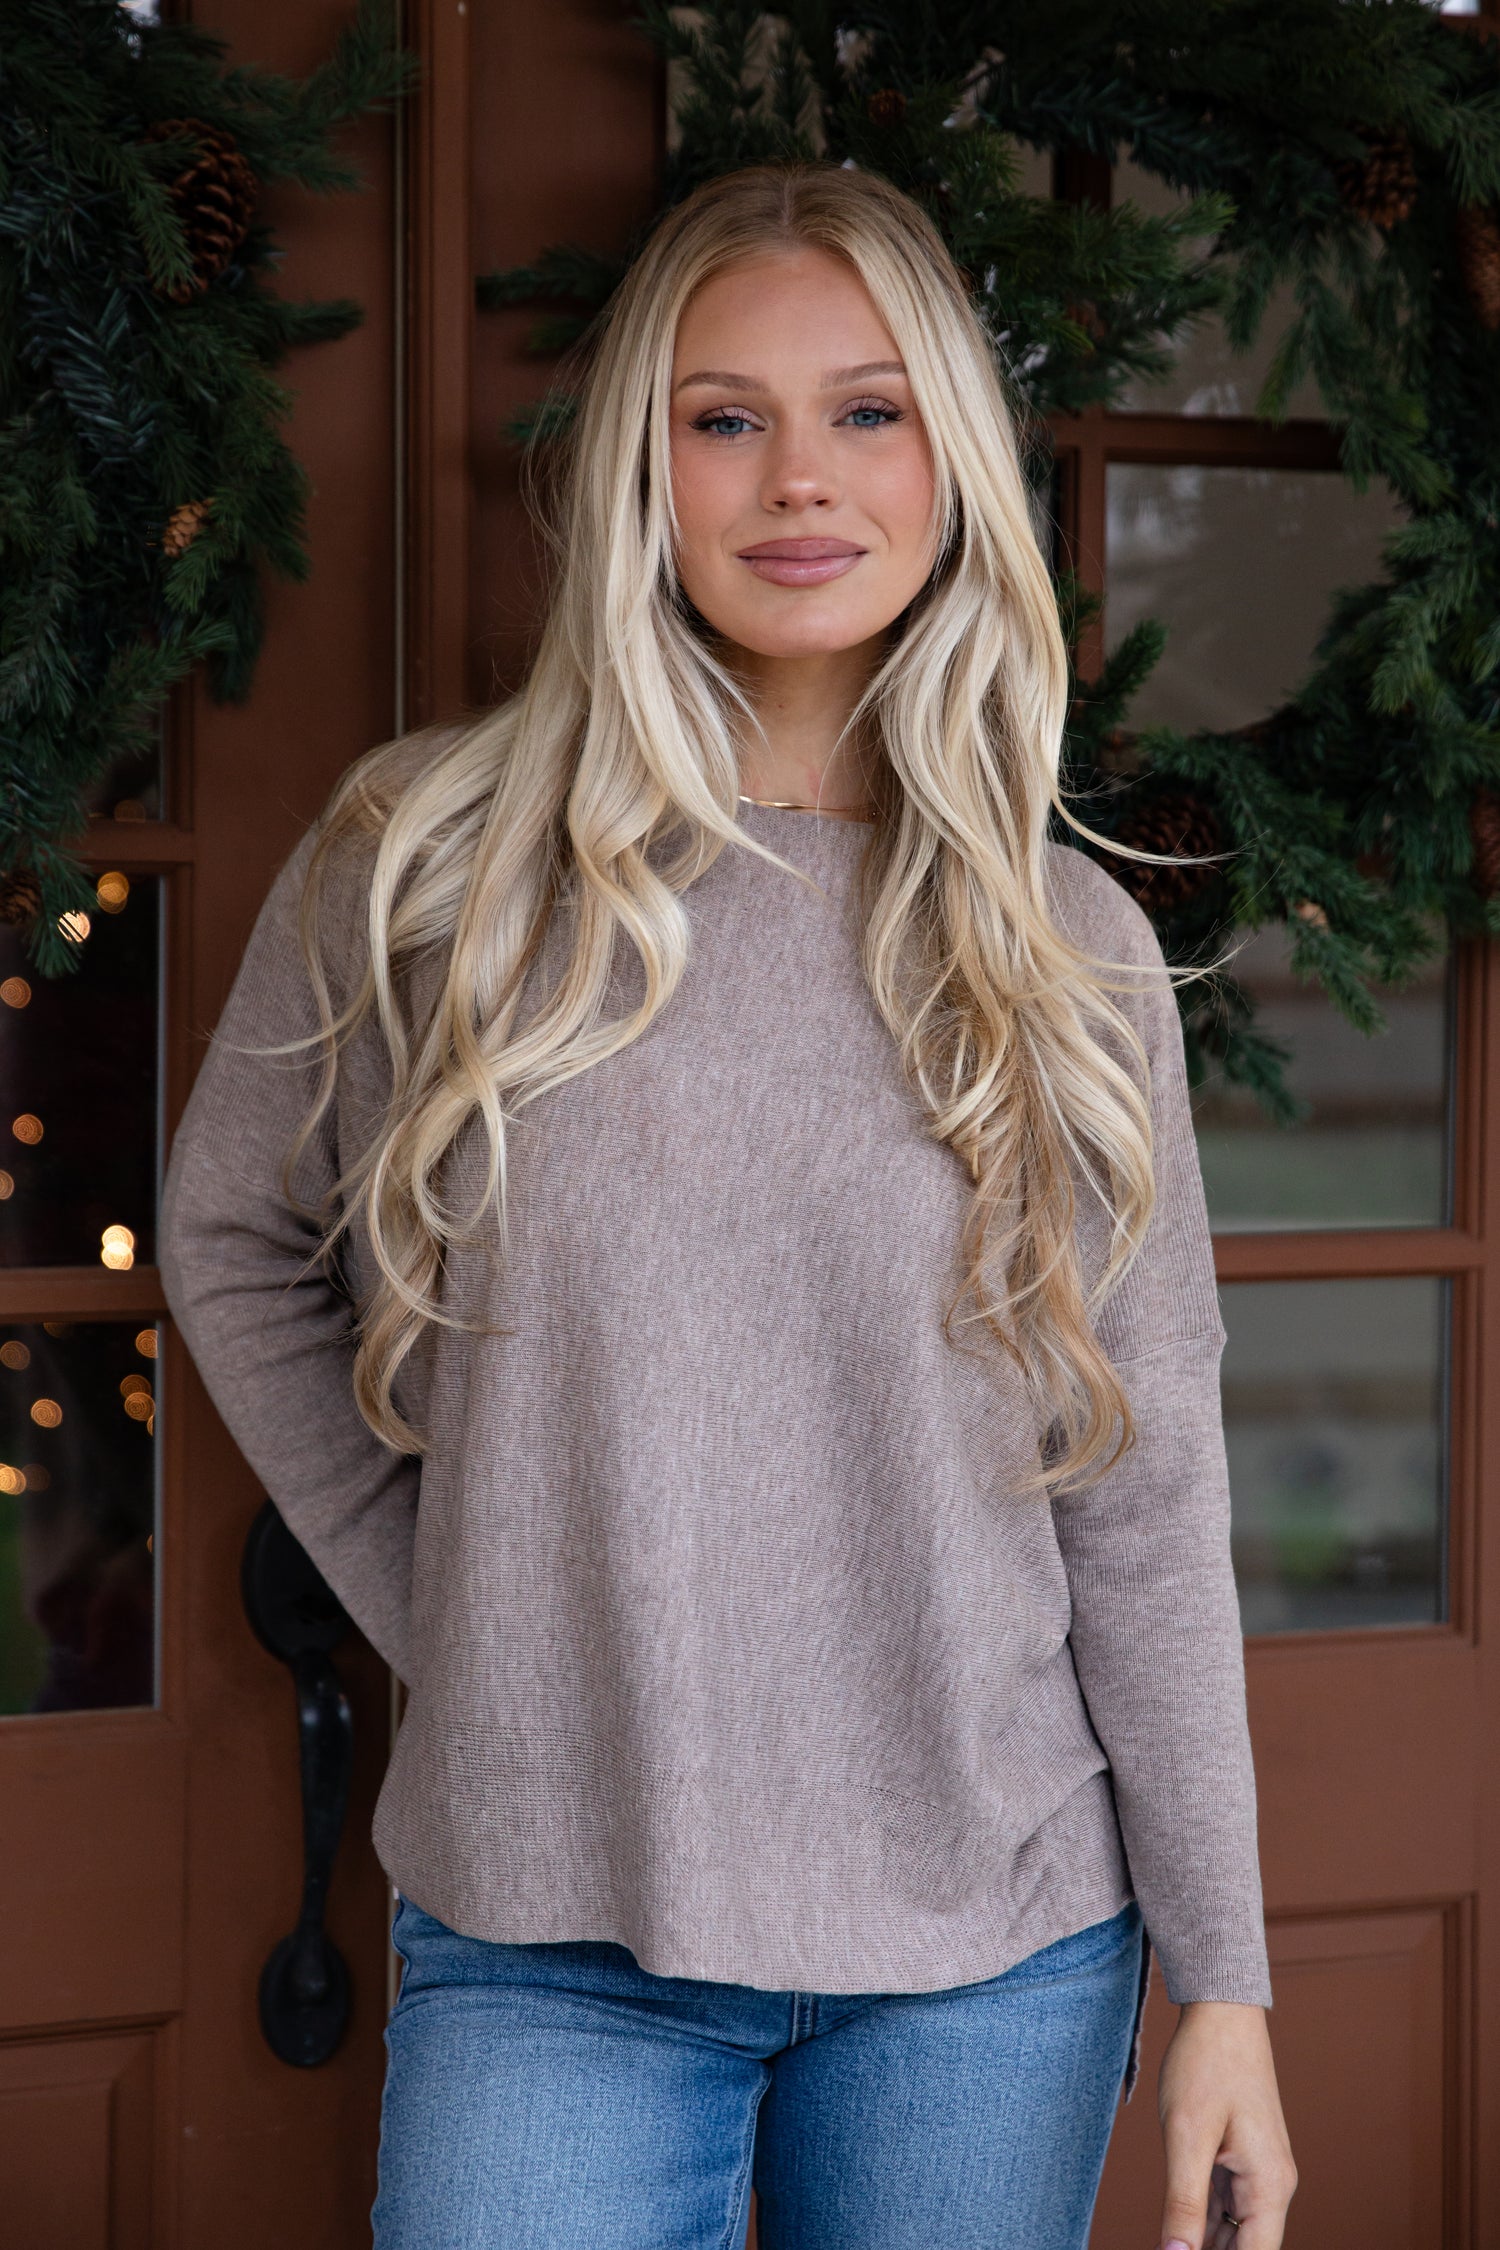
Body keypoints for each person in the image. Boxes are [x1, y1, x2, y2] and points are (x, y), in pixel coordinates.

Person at [160, 163, 1297, 2250]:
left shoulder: (1070, 950)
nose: (801, 479)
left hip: (995, 1955)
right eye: (723, 415)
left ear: (951, 458)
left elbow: (1144, 1497)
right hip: (548, 1943)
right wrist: (464, 1608)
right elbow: (232, 1243)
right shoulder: (431, 871)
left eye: (869, 411)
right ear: (638, 469)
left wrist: (1226, 1982)